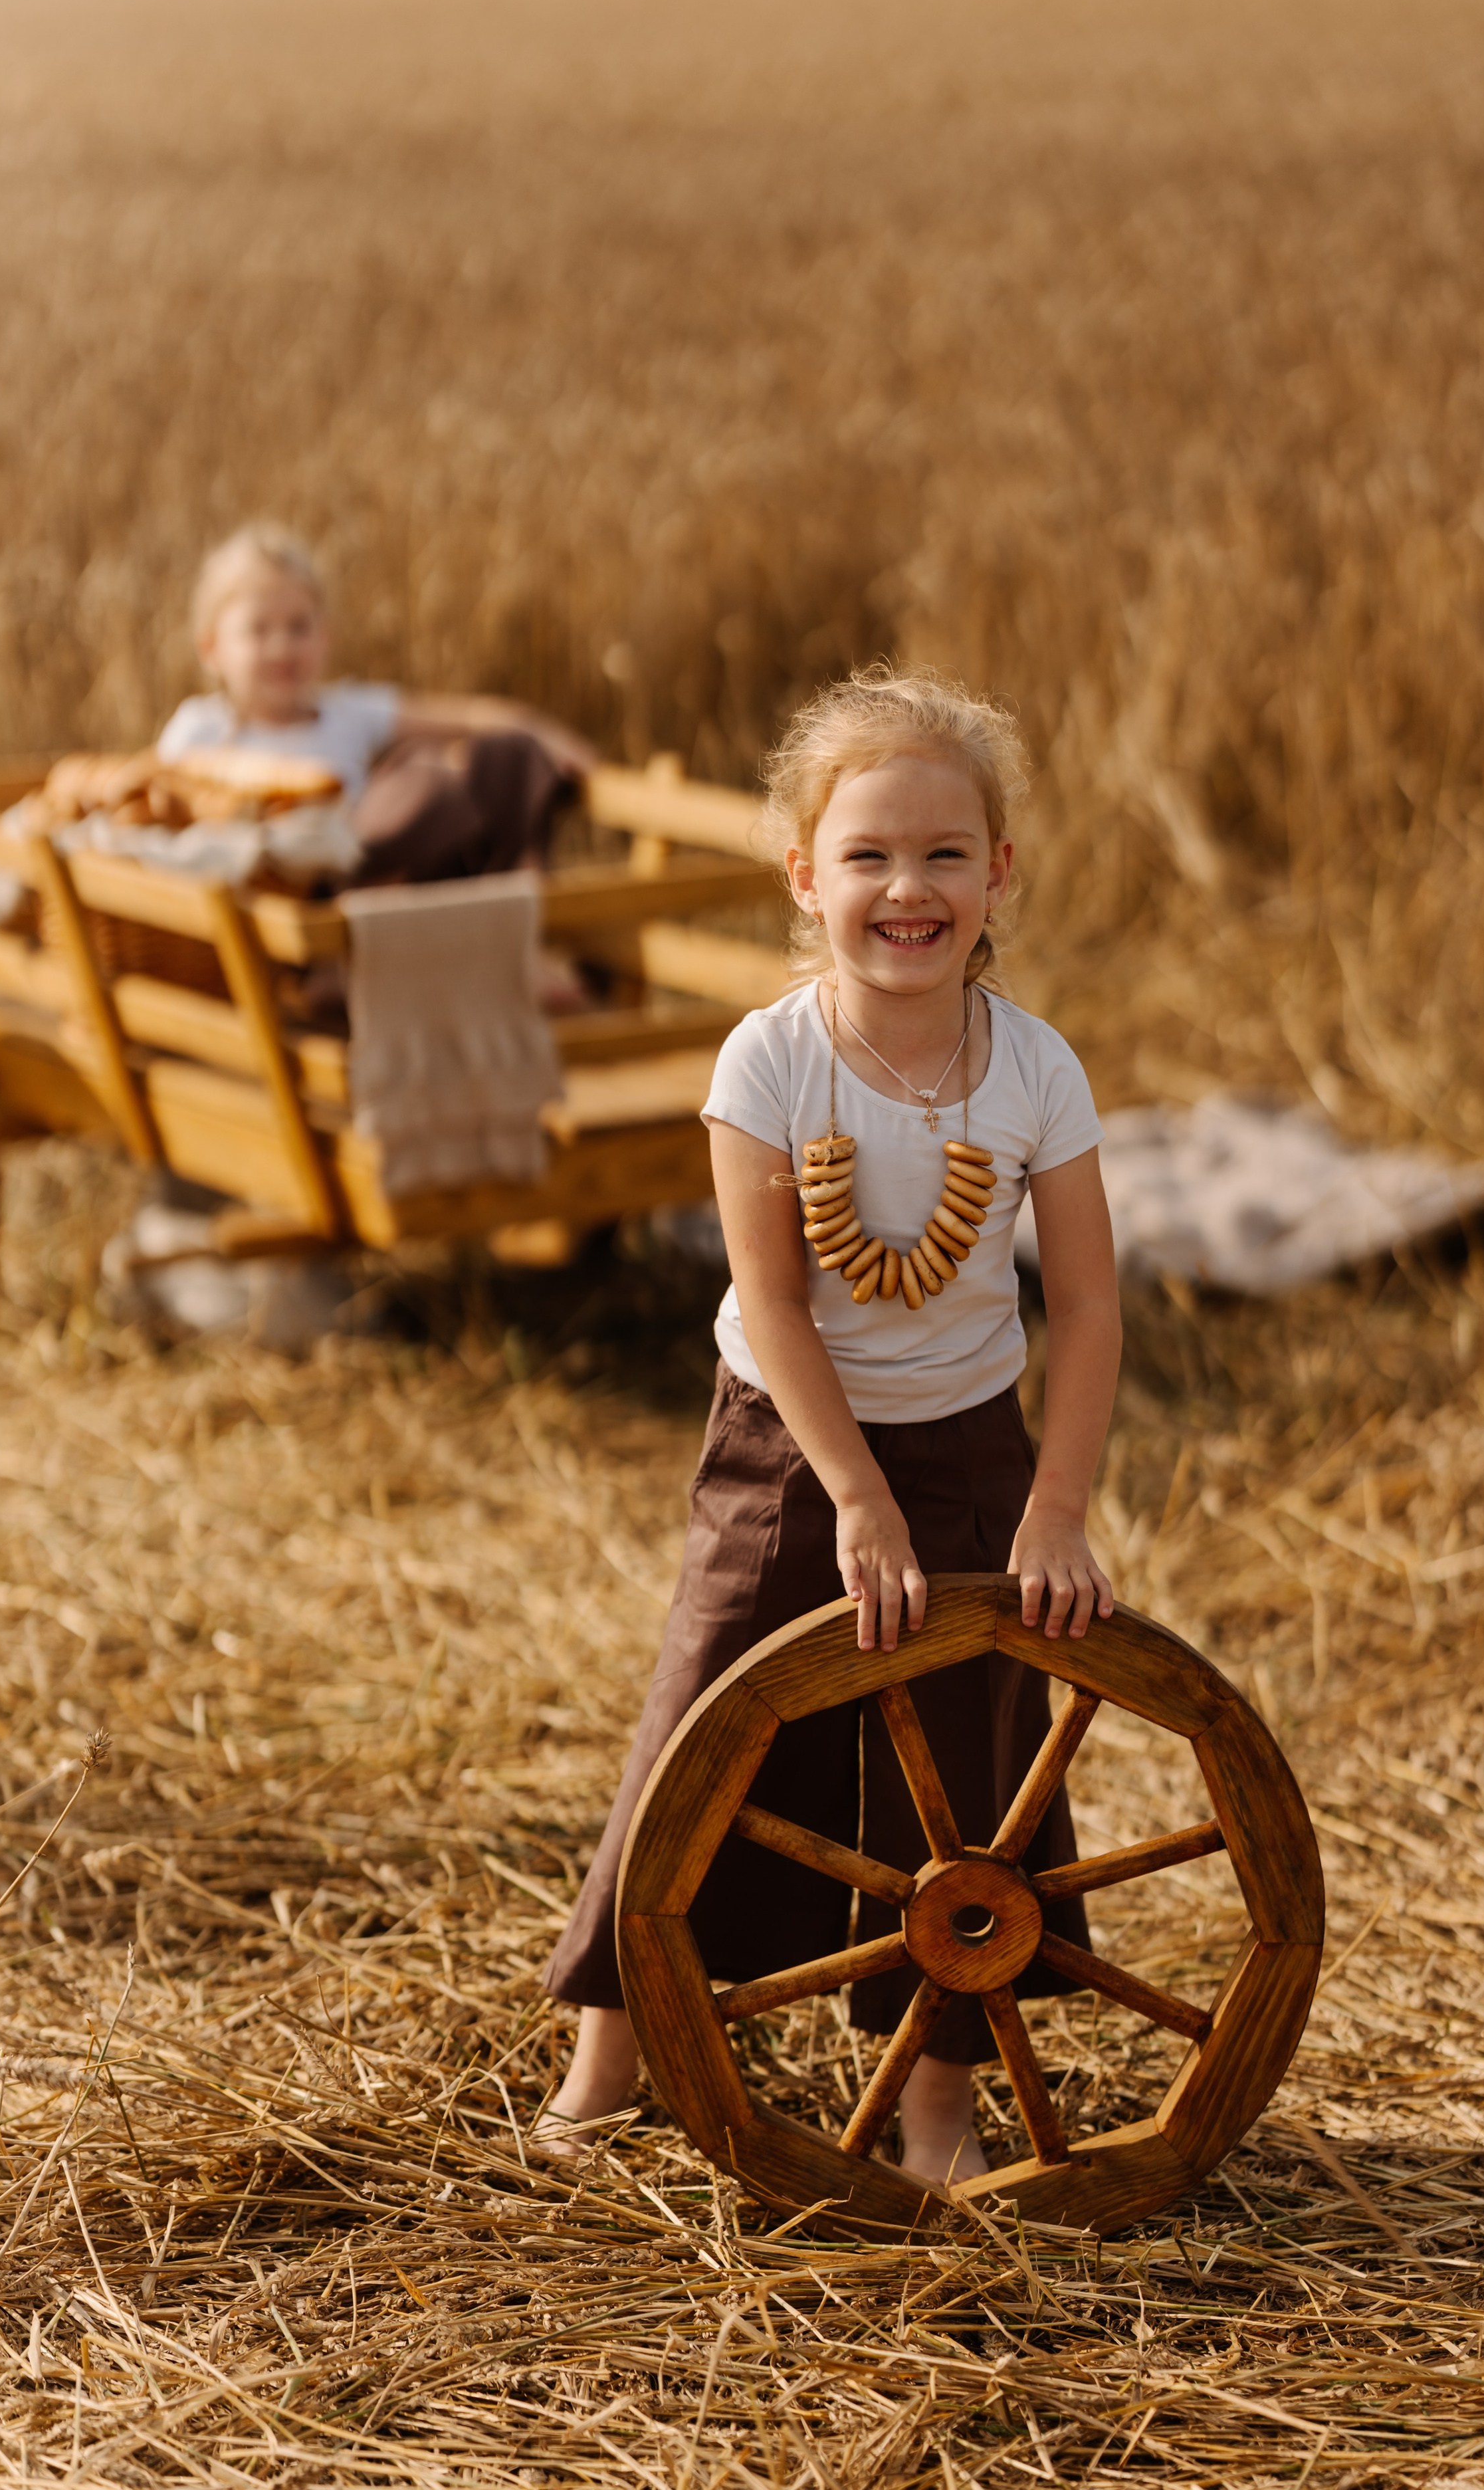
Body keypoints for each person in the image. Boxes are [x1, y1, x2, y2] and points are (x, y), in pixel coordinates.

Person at [541, 665, 1121, 2188]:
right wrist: (850, 1496)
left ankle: (938, 2090)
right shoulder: (770, 1058)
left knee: (971, 1767)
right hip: (785, 1442)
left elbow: (1087, 1307)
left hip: (971, 1446)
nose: (905, 888)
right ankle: (611, 2044)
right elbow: (776, 1300)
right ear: (803, 875)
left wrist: (1050, 1508)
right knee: (700, 1717)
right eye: (865, 854)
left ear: (996, 872)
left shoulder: (1035, 1067)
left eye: (942, 853)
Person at [159, 523, 596, 885]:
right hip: (280, 889)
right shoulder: (201, 729)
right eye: (258, 630)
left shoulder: (348, 711)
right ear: (211, 649)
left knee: (485, 758)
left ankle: (521, 911)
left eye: (299, 627)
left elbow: (470, 717)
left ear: (325, 637)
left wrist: (545, 733)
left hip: (367, 869)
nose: (282, 647)